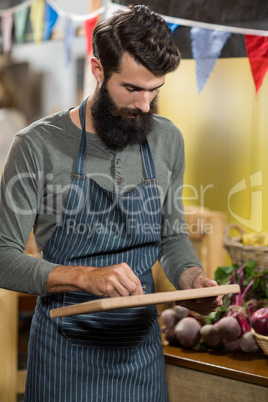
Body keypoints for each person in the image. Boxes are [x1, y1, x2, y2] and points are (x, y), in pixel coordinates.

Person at [0, 5, 222, 401]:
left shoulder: (167, 140)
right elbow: (2, 257)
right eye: (132, 89)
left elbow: (170, 237)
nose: (145, 106)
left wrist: (192, 279)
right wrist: (86, 277)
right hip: (65, 356)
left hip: (141, 356)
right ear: (98, 70)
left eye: (155, 90)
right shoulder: (36, 145)